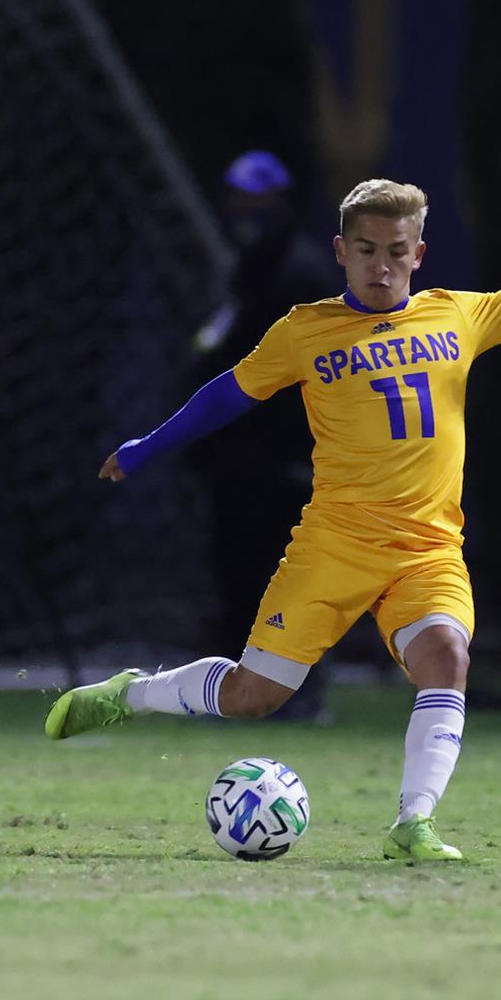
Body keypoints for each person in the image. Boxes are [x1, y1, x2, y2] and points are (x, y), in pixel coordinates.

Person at [46, 136, 501, 862]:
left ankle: (414, 824)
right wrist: (148, 445)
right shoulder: (306, 331)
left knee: (447, 655)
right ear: (341, 250)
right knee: (255, 697)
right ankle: (131, 694)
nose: (381, 265)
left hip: (427, 549)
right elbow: (230, 392)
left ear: (419, 254)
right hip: (336, 543)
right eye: (366, 249)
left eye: (396, 251)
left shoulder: (457, 314)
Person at [188, 151, 338, 722]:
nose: (247, 212)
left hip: (287, 457)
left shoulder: (302, 273)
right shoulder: (247, 267)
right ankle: (237, 690)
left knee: (289, 576)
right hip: (238, 456)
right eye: (238, 199)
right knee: (238, 571)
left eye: (259, 200)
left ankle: (300, 693)